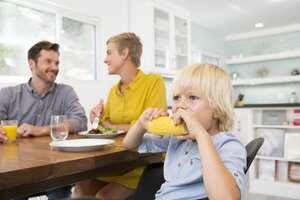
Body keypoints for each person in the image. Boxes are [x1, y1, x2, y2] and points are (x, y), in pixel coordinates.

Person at [123, 63, 247, 199]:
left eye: (192, 98)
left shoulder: (229, 145)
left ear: (217, 109)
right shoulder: (178, 139)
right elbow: (130, 145)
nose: (180, 106)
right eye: (177, 98)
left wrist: (201, 135)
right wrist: (141, 124)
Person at [73, 32, 167, 199]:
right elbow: (103, 128)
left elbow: (154, 126)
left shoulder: (153, 82)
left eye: (109, 53)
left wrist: (113, 126)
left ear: (125, 53)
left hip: (144, 163)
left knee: (104, 196)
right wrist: (97, 119)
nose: (105, 59)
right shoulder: (113, 91)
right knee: (80, 189)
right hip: (116, 162)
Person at [0, 41, 87, 199]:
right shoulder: (8, 94)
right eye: (48, 61)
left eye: (57, 63)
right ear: (31, 63)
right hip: (17, 172)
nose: (54, 67)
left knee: (62, 193)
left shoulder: (65, 92)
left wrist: (40, 130)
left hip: (56, 172)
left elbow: (80, 121)